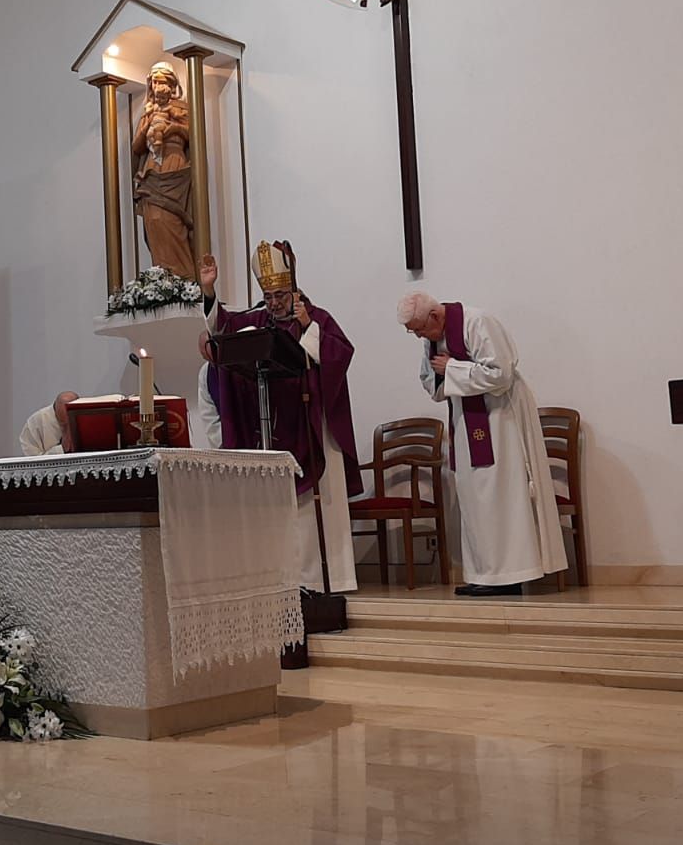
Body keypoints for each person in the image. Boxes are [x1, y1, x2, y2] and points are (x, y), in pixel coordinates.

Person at [199, 244, 360, 593]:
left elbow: (340, 354)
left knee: (312, 510)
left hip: (309, 425)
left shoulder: (317, 318)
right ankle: (284, 579)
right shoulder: (260, 322)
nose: (273, 303)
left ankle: (323, 581)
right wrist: (210, 290)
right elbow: (223, 328)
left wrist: (307, 328)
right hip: (273, 427)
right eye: (268, 295)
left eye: (280, 295)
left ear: (294, 292)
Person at [398, 291, 567, 596]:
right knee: (475, 495)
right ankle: (486, 573)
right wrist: (444, 373)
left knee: (502, 492)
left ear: (435, 316)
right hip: (467, 420)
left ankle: (512, 574)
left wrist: (452, 369)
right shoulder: (434, 336)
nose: (420, 337)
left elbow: (501, 374)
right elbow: (429, 378)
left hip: (501, 418)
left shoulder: (478, 323)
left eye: (420, 329)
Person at [131, 62, 197, 278]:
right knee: (154, 221)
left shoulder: (184, 109)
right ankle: (164, 279)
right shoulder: (148, 112)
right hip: (151, 169)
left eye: (163, 81)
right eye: (155, 81)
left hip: (174, 165)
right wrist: (148, 126)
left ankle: (185, 279)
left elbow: (195, 138)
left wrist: (174, 128)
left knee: (173, 223)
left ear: (172, 84)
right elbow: (136, 148)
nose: (159, 86)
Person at [18, 391, 79, 457]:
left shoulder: (88, 417)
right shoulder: (34, 424)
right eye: (63, 424)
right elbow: (32, 462)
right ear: (55, 411)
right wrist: (61, 449)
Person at [195, 329, 223, 449]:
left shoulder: (240, 364)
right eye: (207, 359)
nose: (213, 363)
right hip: (225, 446)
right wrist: (225, 440)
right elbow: (208, 414)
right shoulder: (205, 372)